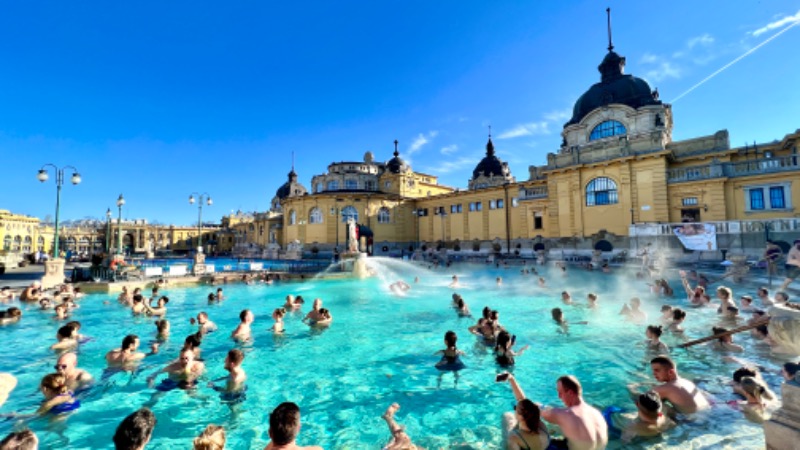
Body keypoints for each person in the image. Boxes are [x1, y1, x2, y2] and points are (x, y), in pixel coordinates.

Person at [538, 375, 608, 450]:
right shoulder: (596, 413)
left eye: (560, 393)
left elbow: (537, 410)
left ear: (570, 393)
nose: (559, 397)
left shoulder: (567, 414)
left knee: (539, 440)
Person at [633, 356, 709, 416]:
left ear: (670, 372)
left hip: (693, 423)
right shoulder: (687, 382)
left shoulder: (665, 388)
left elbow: (641, 399)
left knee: (652, 405)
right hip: (708, 413)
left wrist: (631, 388)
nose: (654, 374)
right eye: (653, 371)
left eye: (657, 370)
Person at [500, 373, 550, 450]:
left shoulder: (514, 437)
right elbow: (522, 400)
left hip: (526, 444)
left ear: (521, 417)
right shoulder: (541, 424)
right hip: (542, 446)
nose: (515, 409)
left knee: (506, 416)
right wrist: (511, 379)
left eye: (515, 408)